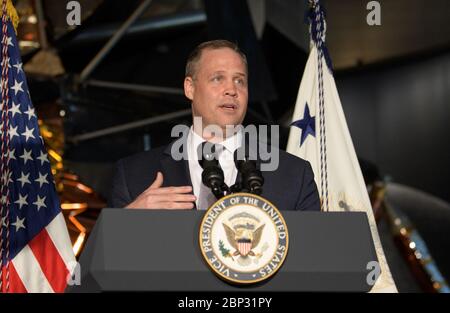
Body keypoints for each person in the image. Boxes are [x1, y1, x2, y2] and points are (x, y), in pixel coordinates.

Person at [108, 40, 320, 211]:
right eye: (218, 78)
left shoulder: (293, 175)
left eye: (240, 81)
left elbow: (314, 256)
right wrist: (129, 222)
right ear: (189, 88)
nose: (231, 90)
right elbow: (105, 258)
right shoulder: (134, 175)